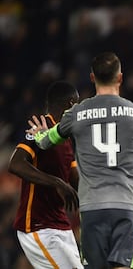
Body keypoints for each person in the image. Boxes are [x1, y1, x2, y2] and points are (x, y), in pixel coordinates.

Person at [27, 52, 133, 269]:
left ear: (92, 78)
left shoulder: (76, 114)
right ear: (120, 77)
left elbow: (46, 142)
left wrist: (39, 134)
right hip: (128, 204)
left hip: (92, 207)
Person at [8, 81, 83, 269]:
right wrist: (57, 182)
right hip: (37, 226)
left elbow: (76, 182)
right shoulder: (40, 128)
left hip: (61, 226)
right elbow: (15, 164)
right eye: (79, 105)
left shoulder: (65, 138)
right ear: (71, 104)